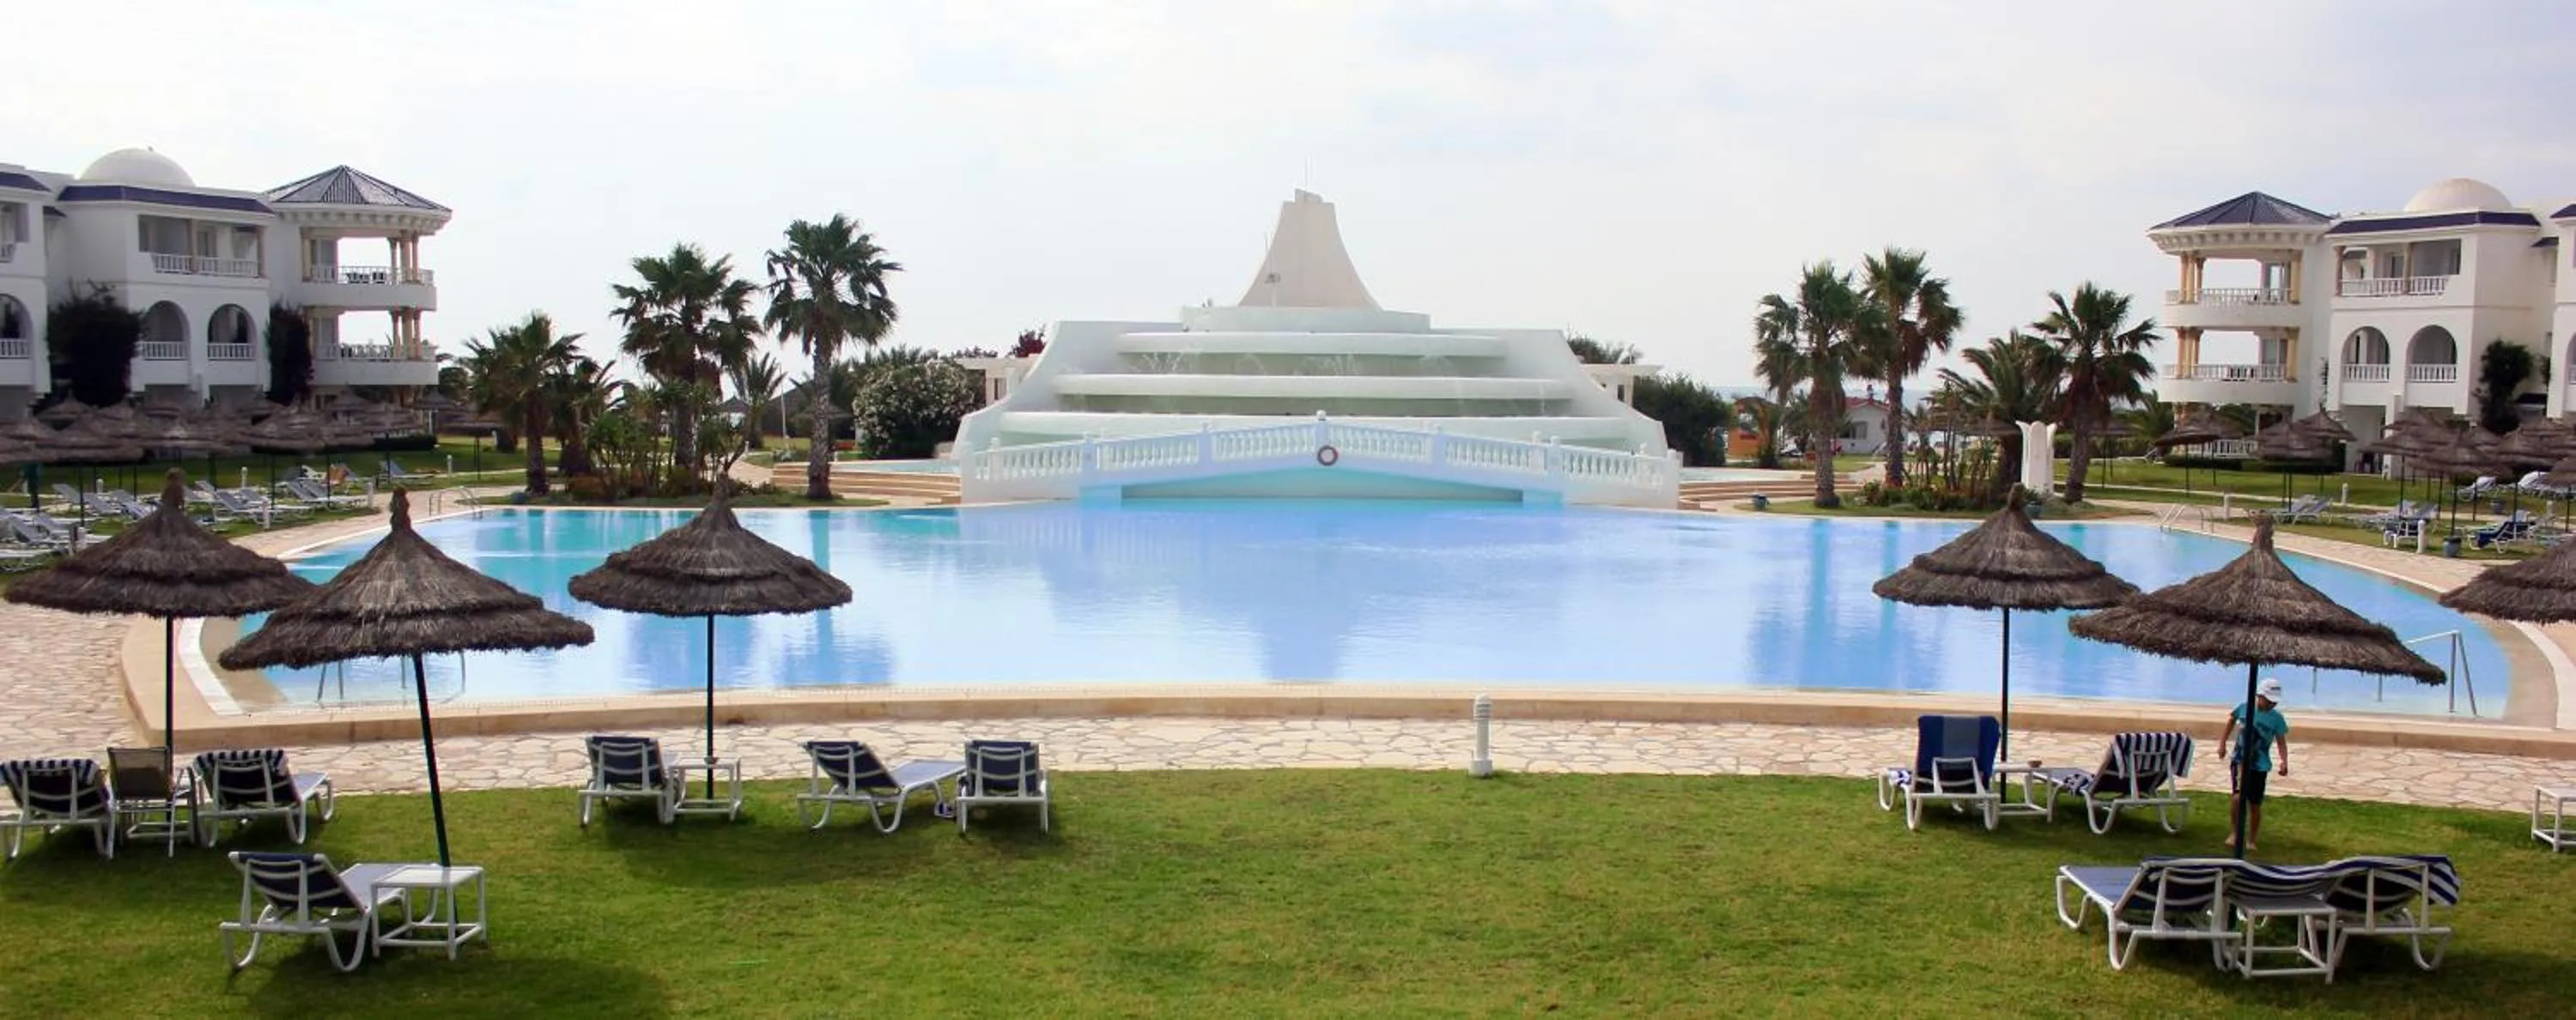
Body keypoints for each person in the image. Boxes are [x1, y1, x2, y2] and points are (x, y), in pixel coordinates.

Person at [2216, 677, 2292, 851]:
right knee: (2237, 796)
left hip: (2260, 765)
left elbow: (2281, 741)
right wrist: (2222, 744)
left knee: (2255, 803)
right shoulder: (2245, 708)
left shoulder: (2277, 719)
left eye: (2275, 702)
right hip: (2240, 760)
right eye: (2270, 701)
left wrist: (2284, 761)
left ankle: (2252, 840)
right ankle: (2235, 833)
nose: (2272, 705)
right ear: (2260, 696)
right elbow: (2231, 720)